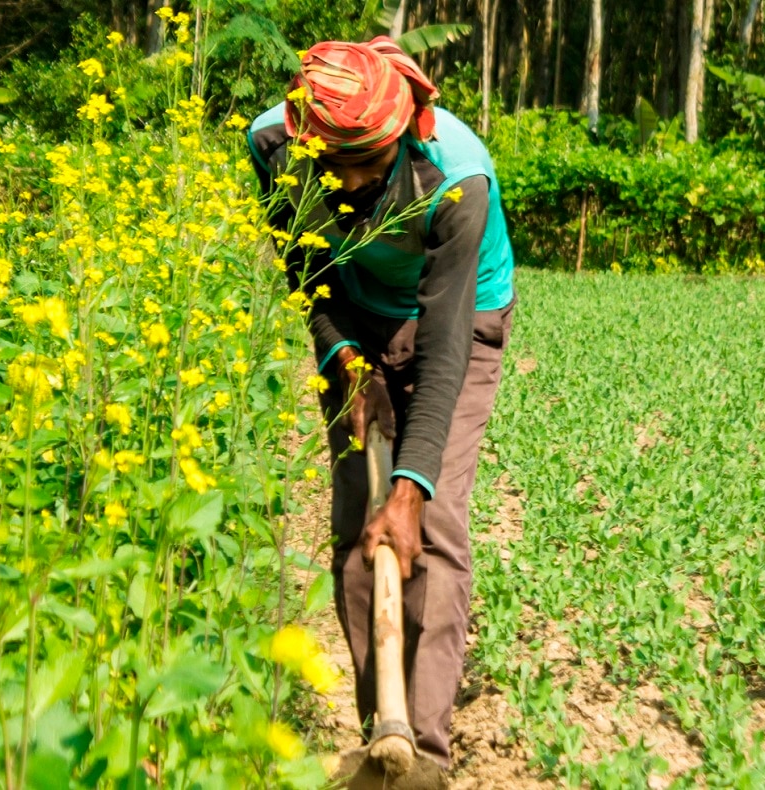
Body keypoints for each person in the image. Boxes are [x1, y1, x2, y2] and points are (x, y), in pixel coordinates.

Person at [247, 37, 515, 771]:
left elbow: (446, 349)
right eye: (337, 172)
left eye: (369, 170)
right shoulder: (274, 144)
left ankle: (423, 755)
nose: (354, 187)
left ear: (399, 138)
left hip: (461, 317)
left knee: (432, 522)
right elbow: (303, 260)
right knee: (358, 522)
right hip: (354, 315)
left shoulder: (458, 180)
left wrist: (412, 485)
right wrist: (343, 357)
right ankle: (381, 737)